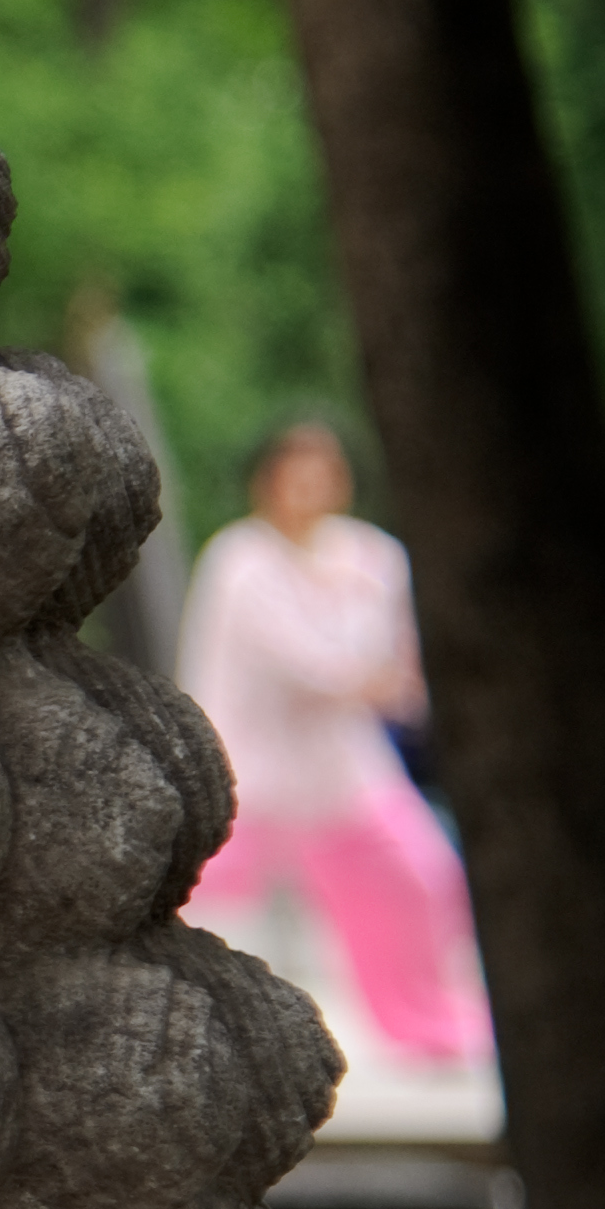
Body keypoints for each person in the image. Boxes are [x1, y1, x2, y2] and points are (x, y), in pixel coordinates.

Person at [178, 420, 494, 1064]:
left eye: (324, 470)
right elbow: (314, 664)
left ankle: (430, 1027)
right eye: (296, 470)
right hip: (248, 775)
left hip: (341, 775)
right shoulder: (239, 559)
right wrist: (367, 675)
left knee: (423, 879)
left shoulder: (374, 556)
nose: (311, 485)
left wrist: (378, 679)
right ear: (267, 482)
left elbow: (400, 670)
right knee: (185, 898)